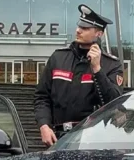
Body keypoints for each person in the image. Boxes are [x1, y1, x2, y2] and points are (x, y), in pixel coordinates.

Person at [34, 4, 125, 146]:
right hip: (57, 138)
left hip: (93, 139)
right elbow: (42, 97)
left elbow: (114, 103)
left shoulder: (111, 64)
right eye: (79, 26)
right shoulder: (58, 58)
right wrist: (44, 125)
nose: (78, 30)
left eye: (85, 28)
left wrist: (97, 69)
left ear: (99, 34)